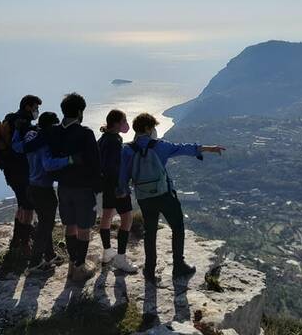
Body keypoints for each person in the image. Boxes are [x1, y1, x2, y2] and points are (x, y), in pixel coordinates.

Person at [117, 113, 225, 283]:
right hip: (165, 195)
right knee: (177, 227)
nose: (154, 130)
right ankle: (178, 266)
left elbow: (122, 175)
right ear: (147, 128)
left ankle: (150, 270)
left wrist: (123, 191)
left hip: (144, 197)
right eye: (153, 127)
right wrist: (209, 148)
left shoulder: (127, 150)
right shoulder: (160, 146)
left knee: (150, 231)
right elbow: (184, 148)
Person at [12, 111, 76, 275]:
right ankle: (35, 263)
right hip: (43, 190)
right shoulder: (45, 143)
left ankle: (50, 256)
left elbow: (16, 147)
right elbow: (48, 165)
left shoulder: (30, 137)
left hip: (31, 186)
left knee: (44, 223)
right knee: (45, 225)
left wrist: (17, 131)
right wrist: (69, 160)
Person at [48, 92, 102, 282]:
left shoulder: (53, 131)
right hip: (83, 188)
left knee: (69, 226)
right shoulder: (85, 133)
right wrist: (97, 187)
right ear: (80, 112)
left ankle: (72, 265)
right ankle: (79, 267)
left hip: (63, 187)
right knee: (84, 228)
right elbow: (95, 163)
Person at [97, 110, 138, 273]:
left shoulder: (103, 139)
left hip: (106, 185)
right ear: (115, 123)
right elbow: (114, 167)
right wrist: (120, 188)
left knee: (106, 216)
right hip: (117, 186)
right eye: (124, 120)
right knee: (127, 219)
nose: (126, 123)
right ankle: (121, 258)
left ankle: (107, 252)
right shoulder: (114, 141)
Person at [3, 95, 41, 256]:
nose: (36, 111)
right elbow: (25, 147)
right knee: (28, 206)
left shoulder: (9, 119)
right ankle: (25, 245)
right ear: (27, 107)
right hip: (23, 171)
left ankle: (17, 239)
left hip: (10, 171)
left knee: (21, 203)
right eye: (35, 108)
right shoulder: (24, 125)